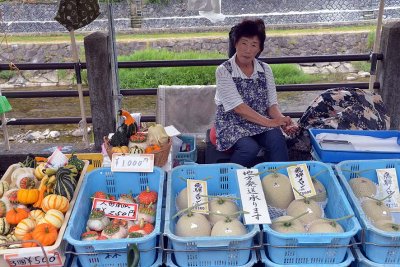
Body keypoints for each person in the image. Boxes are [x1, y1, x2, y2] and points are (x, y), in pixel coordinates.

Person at [214, 18, 298, 168]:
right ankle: (228, 177)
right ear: (235, 44)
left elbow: (271, 105)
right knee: (249, 148)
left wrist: (283, 122)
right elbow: (238, 108)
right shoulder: (223, 70)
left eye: (254, 45)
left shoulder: (265, 69)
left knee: (276, 138)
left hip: (259, 122)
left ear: (259, 49)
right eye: (244, 43)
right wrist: (272, 122)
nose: (248, 50)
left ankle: (280, 178)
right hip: (232, 123)